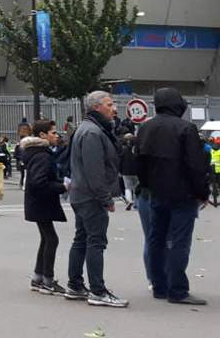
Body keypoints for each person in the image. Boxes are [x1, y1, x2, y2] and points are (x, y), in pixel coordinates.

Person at [135, 87, 210, 305]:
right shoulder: (186, 128)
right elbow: (195, 165)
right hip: (182, 193)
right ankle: (178, 289)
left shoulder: (146, 128)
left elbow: (140, 162)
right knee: (179, 241)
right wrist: (202, 192)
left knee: (156, 239)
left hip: (156, 192)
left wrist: (148, 185)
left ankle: (159, 286)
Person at [65, 90, 128, 307]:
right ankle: (98, 291)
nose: (114, 108)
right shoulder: (93, 132)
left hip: (81, 193)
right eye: (109, 104)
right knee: (95, 242)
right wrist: (105, 198)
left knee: (82, 239)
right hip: (90, 196)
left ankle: (75, 285)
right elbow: (95, 170)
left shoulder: (89, 129)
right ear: (96, 107)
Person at [22, 119, 66, 294]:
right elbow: (39, 182)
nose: (57, 135)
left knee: (47, 239)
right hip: (42, 203)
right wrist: (62, 186)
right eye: (53, 132)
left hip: (37, 203)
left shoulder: (36, 152)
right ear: (42, 135)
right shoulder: (42, 155)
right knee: (51, 239)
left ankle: (39, 277)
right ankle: (47, 279)